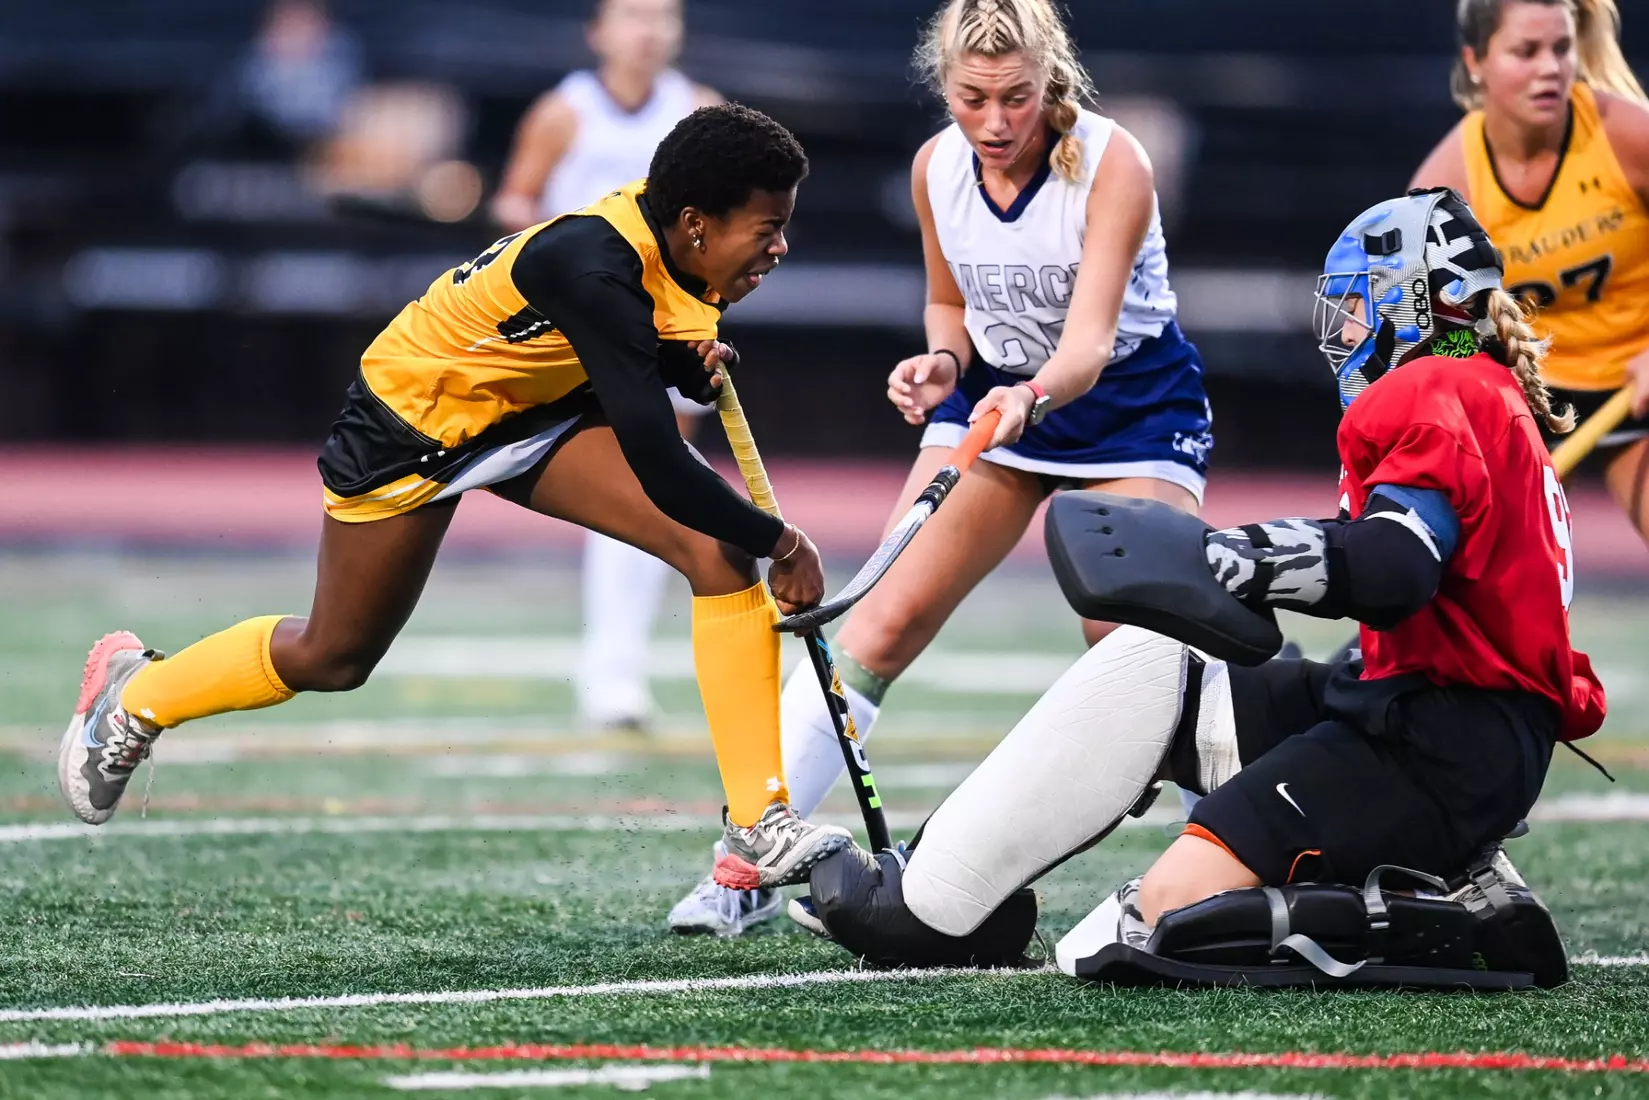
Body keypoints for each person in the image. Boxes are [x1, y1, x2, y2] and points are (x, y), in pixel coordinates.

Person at [798, 188, 1606, 980]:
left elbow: (1396, 567)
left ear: (1413, 302)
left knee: (1149, 922)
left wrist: (1250, 557)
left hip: (1442, 742)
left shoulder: (1435, 386)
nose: (1345, 331)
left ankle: (1440, 906)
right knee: (1152, 664)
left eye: (1357, 307)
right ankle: (942, 897)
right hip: (1421, 708)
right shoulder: (1480, 388)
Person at [58, 104, 852, 893]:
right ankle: (136, 695)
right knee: (334, 657)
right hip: (412, 422)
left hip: (533, 406)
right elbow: (655, 459)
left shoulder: (678, 241)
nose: (779, 247)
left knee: (716, 551)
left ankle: (757, 824)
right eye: (767, 228)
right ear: (695, 223)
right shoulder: (592, 265)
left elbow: (637, 348)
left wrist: (680, 366)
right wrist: (785, 541)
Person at [667, 0, 1214, 935]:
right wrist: (944, 365)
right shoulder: (936, 166)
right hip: (993, 401)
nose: (994, 124)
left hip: (1126, 409)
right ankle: (745, 868)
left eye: (1015, 98)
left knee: (1131, 640)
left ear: (1050, 82)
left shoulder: (1113, 161)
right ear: (944, 87)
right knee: (876, 620)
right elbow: (946, 298)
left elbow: (1083, 348)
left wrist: (1026, 398)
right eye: (971, 99)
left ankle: (1236, 852)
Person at [493, 0, 723, 735]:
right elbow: (516, 199)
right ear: (600, 32)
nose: (648, 30)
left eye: (662, 16)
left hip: (667, 328)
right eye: (632, 15)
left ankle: (616, 668)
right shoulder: (565, 112)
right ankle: (608, 666)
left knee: (665, 486)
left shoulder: (699, 114)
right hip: (577, 331)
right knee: (615, 481)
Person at [1412, 0, 1649, 548]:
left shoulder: (1625, 134)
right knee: (1452, 561)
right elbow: (1434, 345)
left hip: (1637, 385)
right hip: (1531, 400)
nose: (1550, 68)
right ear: (1476, 61)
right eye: (1526, 51)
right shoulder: (1445, 189)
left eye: (1561, 49)